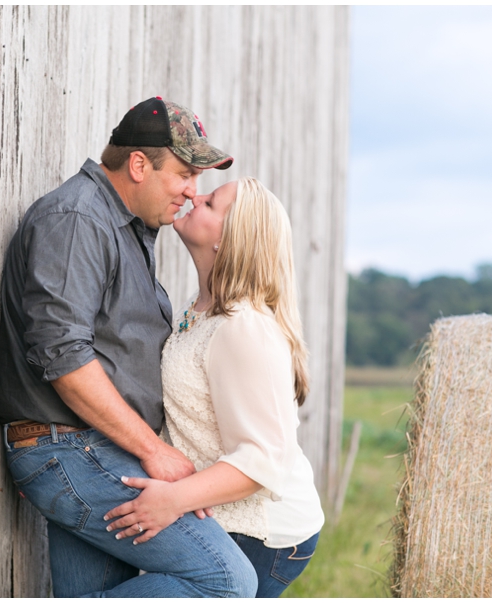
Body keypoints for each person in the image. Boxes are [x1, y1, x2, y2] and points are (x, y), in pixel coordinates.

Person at [0, 98, 258, 597]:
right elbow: (63, 357)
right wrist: (153, 450)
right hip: (69, 448)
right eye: (184, 173)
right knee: (225, 581)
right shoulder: (77, 220)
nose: (190, 192)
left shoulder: (126, 229)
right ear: (139, 164)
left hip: (91, 447)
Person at [103, 177, 325, 597]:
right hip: (216, 512)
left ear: (228, 239)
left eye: (210, 202)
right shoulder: (199, 309)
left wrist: (173, 499)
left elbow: (262, 461)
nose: (193, 195)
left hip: (264, 533)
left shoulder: (243, 329)